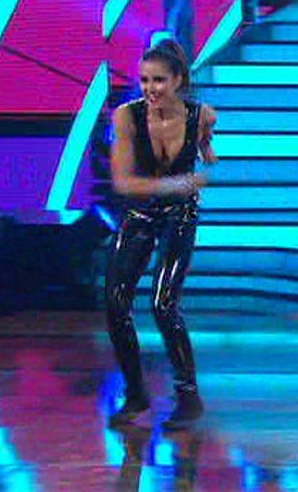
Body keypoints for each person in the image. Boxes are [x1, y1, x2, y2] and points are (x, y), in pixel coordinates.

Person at [105, 39, 217, 431]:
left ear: (178, 81)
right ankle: (136, 395)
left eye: (158, 81)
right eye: (144, 80)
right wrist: (178, 183)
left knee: (163, 304)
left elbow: (206, 153)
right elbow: (123, 183)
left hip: (179, 215)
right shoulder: (126, 117)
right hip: (140, 213)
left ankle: (188, 396)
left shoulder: (202, 115)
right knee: (115, 301)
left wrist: (206, 157)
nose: (150, 89)